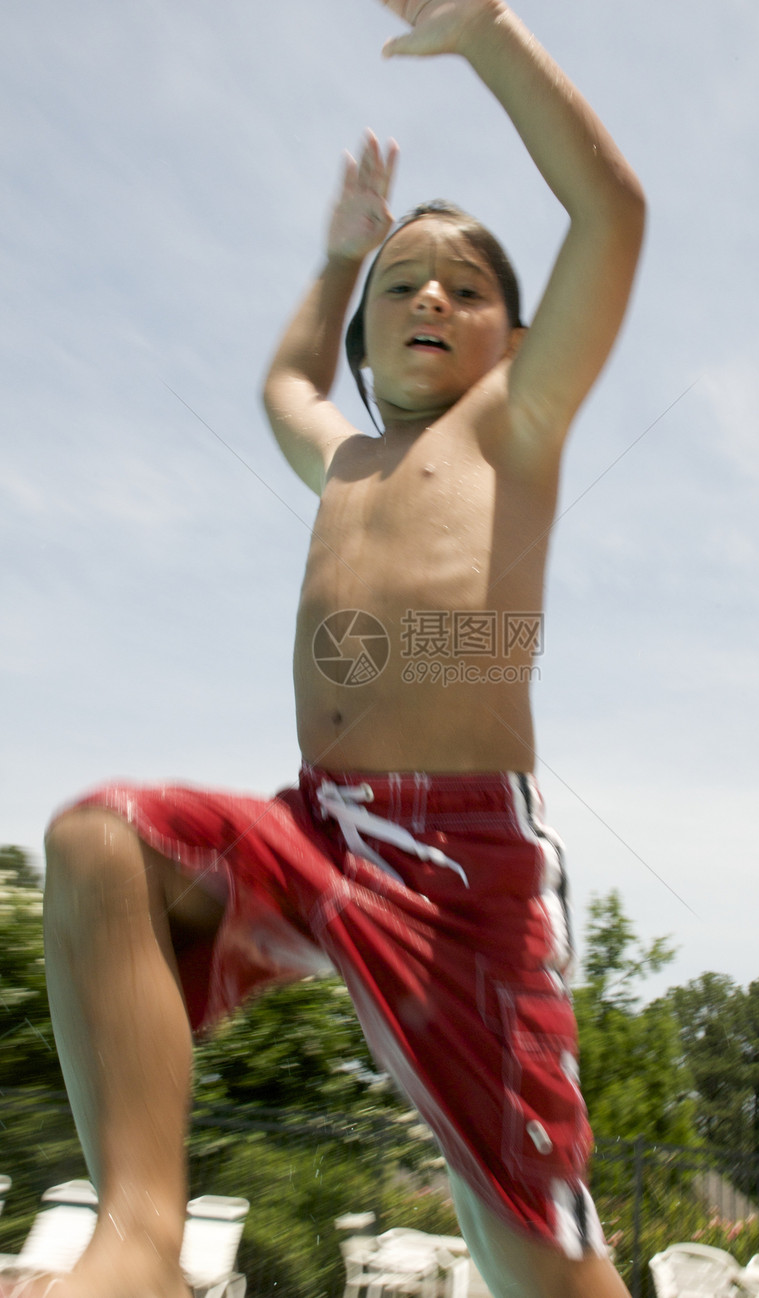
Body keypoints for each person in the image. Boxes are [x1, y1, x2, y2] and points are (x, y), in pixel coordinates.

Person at [25, 2, 645, 1297]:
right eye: (403, 282)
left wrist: (486, 36)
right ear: (364, 340)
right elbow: (280, 388)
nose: (431, 291)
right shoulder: (346, 456)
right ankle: (138, 1235)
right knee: (101, 841)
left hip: (467, 867)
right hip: (321, 826)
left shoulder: (512, 427)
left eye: (469, 287)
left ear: (517, 343)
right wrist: (333, 261)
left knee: (528, 1241)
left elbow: (613, 217)